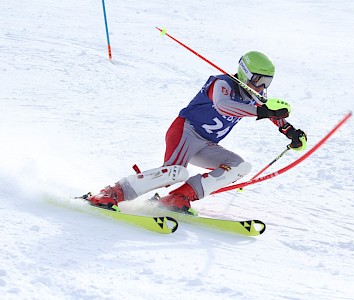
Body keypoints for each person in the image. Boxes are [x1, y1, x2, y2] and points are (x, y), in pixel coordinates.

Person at [88, 51, 307, 215]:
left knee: (239, 166)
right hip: (186, 132)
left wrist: (289, 130)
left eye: (267, 82)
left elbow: (272, 114)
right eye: (259, 80)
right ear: (246, 73)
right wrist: (261, 110)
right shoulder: (222, 83)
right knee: (175, 172)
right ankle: (113, 192)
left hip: (207, 144)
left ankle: (178, 198)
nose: (262, 86)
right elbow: (224, 106)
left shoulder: (254, 96)